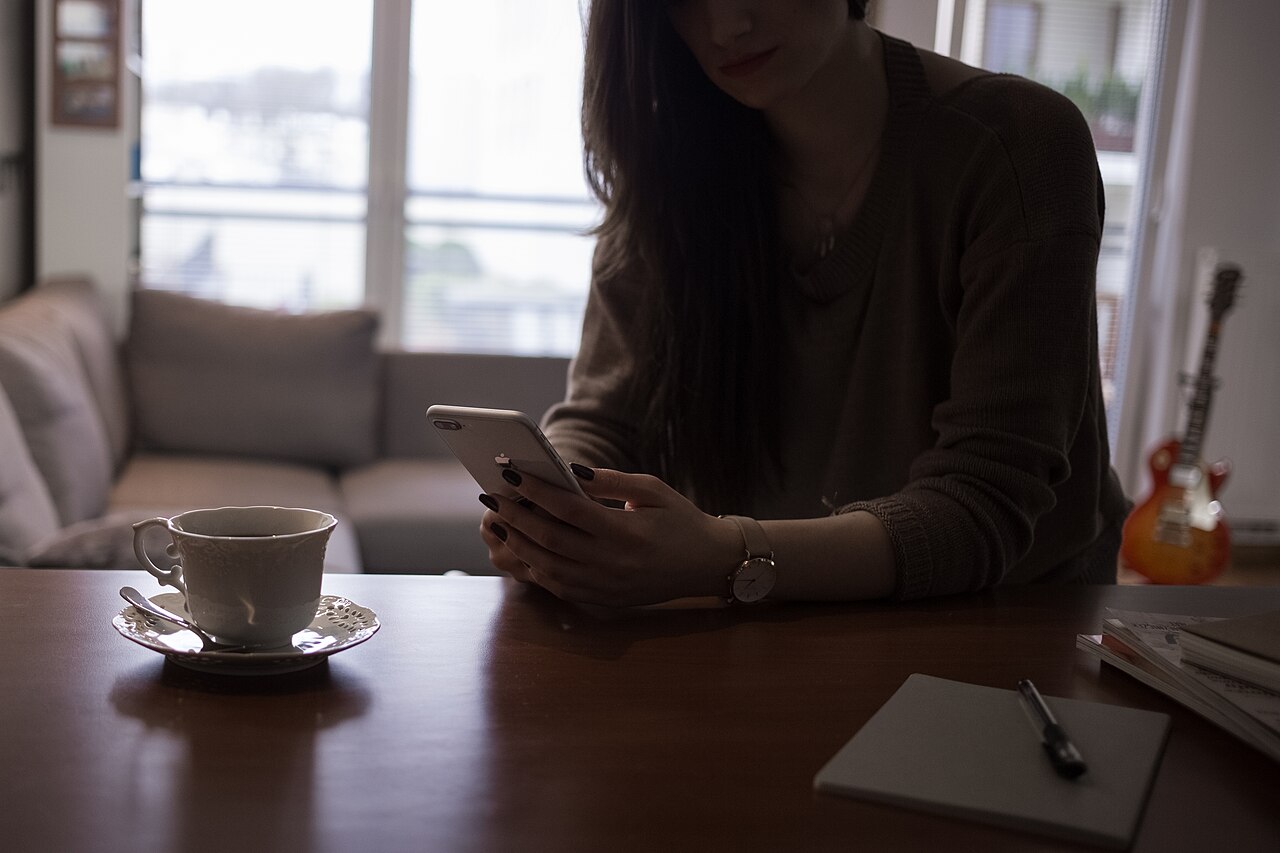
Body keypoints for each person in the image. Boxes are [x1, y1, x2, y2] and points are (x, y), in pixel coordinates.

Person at [477, 0, 1130, 606]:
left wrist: (724, 554)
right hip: (762, 629)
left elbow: (985, 505)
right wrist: (553, 505)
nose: (725, 24)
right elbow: (607, 416)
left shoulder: (1017, 145)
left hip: (1006, 634)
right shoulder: (673, 163)